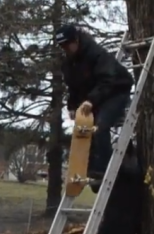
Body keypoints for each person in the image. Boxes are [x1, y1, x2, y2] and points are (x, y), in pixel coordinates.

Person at [55, 24, 134, 182]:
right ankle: (91, 168)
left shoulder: (96, 54)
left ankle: (106, 169)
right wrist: (72, 106)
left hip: (115, 91)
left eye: (68, 44)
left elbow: (108, 80)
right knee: (84, 130)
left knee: (99, 127)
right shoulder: (69, 64)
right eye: (62, 46)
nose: (66, 49)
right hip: (95, 96)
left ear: (76, 40)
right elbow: (73, 87)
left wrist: (90, 101)